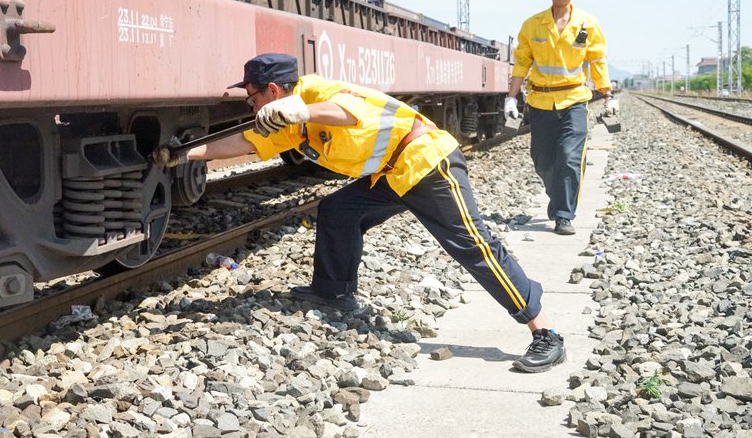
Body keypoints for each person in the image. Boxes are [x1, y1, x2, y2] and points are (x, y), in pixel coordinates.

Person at [152, 52, 566, 373]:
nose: (250, 102)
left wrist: (302, 110)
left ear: (274, 92)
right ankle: (334, 292)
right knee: (338, 211)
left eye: (253, 95)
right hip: (390, 173)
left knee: (472, 245)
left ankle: (544, 331)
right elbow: (245, 143)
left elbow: (350, 115)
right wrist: (187, 154)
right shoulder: (287, 119)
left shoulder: (319, 95)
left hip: (427, 163)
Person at [505, 0, 618, 236]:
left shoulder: (588, 24)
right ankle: (558, 198)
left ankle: (564, 215)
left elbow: (597, 62)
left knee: (569, 156)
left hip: (575, 100)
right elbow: (521, 64)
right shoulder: (532, 25)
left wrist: (608, 96)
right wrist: (510, 99)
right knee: (542, 160)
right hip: (541, 103)